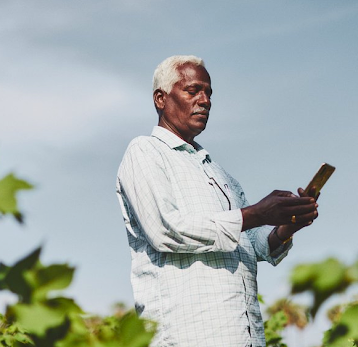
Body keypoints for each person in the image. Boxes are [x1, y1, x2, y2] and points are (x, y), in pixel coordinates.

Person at [115, 55, 319, 347]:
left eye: (209, 93)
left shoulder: (219, 173)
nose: (205, 100)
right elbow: (166, 230)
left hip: (243, 336)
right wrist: (257, 214)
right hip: (188, 336)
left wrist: (288, 224)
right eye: (193, 90)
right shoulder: (145, 152)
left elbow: (253, 244)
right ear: (161, 99)